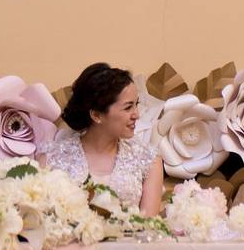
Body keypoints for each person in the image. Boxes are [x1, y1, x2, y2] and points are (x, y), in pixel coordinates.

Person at [38, 63, 163, 215]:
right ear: (96, 115)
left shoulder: (149, 161)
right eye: (128, 107)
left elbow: (150, 226)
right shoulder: (51, 159)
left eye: (136, 105)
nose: (136, 114)